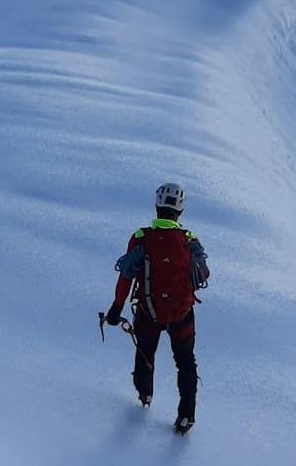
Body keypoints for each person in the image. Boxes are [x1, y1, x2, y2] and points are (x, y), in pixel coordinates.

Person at [104, 183, 209, 435]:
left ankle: (144, 396)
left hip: (147, 312)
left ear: (157, 206)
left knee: (145, 354)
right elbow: (203, 275)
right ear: (180, 210)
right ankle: (186, 416)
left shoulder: (141, 238)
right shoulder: (190, 240)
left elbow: (126, 278)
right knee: (185, 362)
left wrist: (116, 309)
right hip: (182, 314)